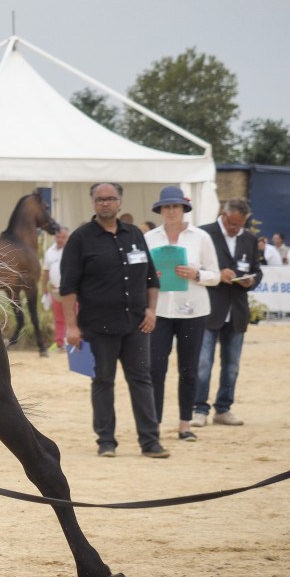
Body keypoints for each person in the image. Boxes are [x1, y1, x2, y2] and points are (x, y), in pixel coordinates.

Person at [60, 182, 166, 458]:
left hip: (136, 323)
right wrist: (72, 326)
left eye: (111, 198)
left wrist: (151, 310)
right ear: (93, 203)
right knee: (103, 381)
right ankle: (106, 441)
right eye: (100, 199)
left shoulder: (134, 235)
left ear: (120, 202)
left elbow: (151, 279)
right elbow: (68, 288)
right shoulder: (80, 238)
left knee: (142, 380)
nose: (105, 203)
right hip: (98, 325)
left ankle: (150, 441)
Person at [143, 187, 220, 443]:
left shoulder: (201, 237)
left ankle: (185, 424)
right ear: (161, 210)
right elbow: (142, 273)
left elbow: (216, 275)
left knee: (189, 368)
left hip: (193, 310)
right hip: (160, 311)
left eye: (175, 206)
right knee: (155, 368)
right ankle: (153, 424)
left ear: (184, 209)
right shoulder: (150, 238)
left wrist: (197, 275)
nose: (171, 211)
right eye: (166, 207)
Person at [192, 198, 261, 428]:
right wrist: (216, 274)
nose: (235, 229)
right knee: (203, 363)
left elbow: (257, 271)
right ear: (224, 214)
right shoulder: (203, 234)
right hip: (209, 308)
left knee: (232, 365)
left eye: (240, 225)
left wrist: (250, 281)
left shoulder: (249, 239)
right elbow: (194, 268)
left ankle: (223, 408)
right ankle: (199, 408)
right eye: (232, 223)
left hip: (237, 310)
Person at [40, 226, 69, 349]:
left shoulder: (71, 251)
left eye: (63, 237)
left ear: (68, 238)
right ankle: (60, 343)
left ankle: (71, 342)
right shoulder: (49, 252)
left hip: (69, 291)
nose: (60, 239)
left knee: (72, 316)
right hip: (55, 289)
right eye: (58, 236)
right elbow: (46, 271)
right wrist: (44, 287)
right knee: (58, 318)